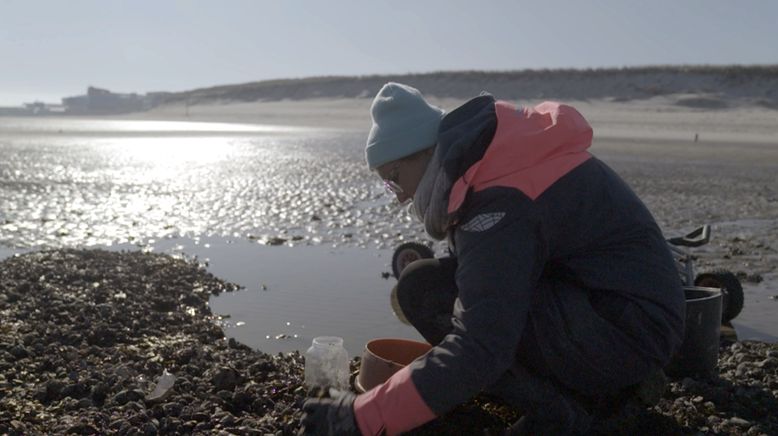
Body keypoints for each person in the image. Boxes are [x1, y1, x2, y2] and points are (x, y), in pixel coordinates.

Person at [301, 82, 686, 435]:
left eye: (395, 177)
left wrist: (359, 416)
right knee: (428, 283)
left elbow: (482, 342)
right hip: (617, 313)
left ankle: (562, 415)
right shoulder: (493, 161)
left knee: (431, 296)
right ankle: (589, 390)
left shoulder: (500, 198)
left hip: (631, 332)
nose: (399, 196)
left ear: (426, 153)